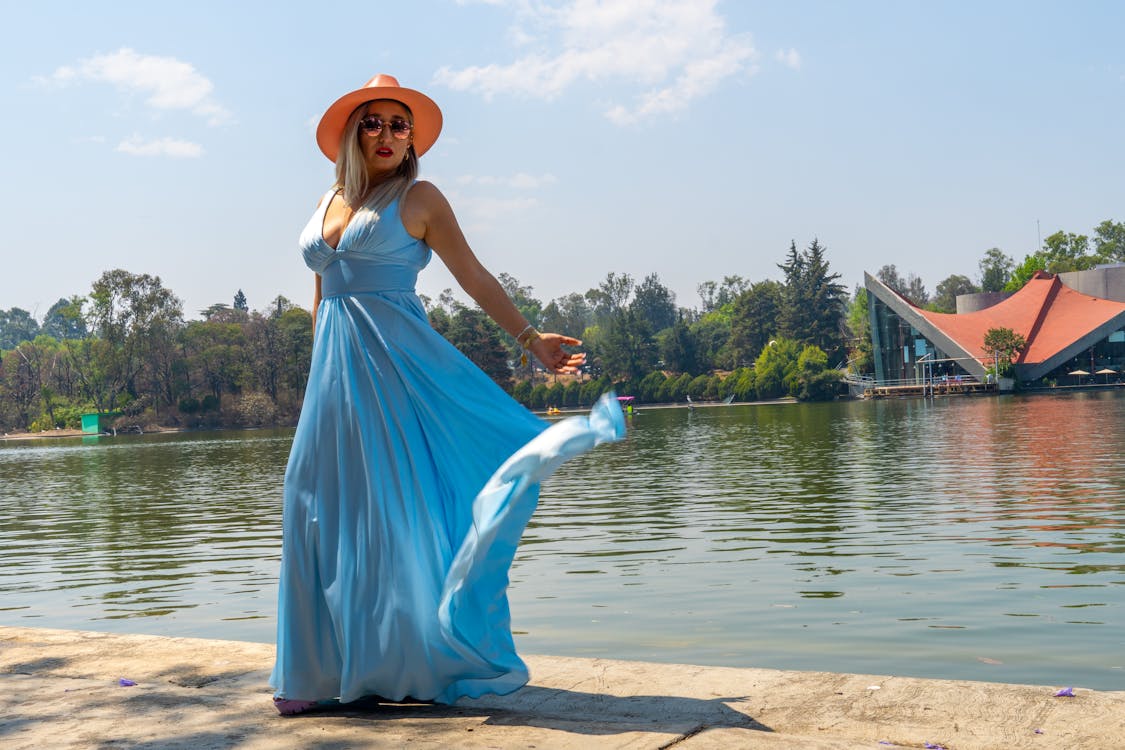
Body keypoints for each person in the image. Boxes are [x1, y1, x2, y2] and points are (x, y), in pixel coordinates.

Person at [269, 74, 624, 715]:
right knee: (314, 502)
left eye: (398, 124)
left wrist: (529, 339)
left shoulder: (421, 197)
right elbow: (325, 295)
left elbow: (472, 274)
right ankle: (317, 675)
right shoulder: (328, 200)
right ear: (353, 132)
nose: (386, 134)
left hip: (401, 372)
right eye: (372, 122)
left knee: (392, 516)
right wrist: (316, 379)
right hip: (335, 381)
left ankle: (410, 665)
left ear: (412, 140)